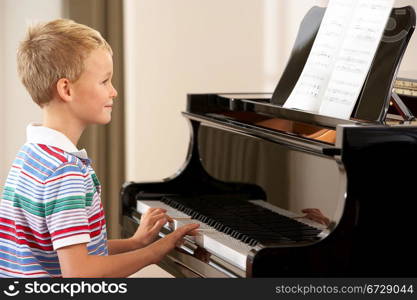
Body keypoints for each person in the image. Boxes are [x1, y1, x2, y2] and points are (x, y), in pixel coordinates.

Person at [0, 19, 199, 278]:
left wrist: (134, 244)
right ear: (66, 89)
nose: (114, 92)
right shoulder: (65, 171)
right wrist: (155, 252)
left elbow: (66, 251)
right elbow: (80, 273)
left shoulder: (31, 155)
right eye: (105, 81)